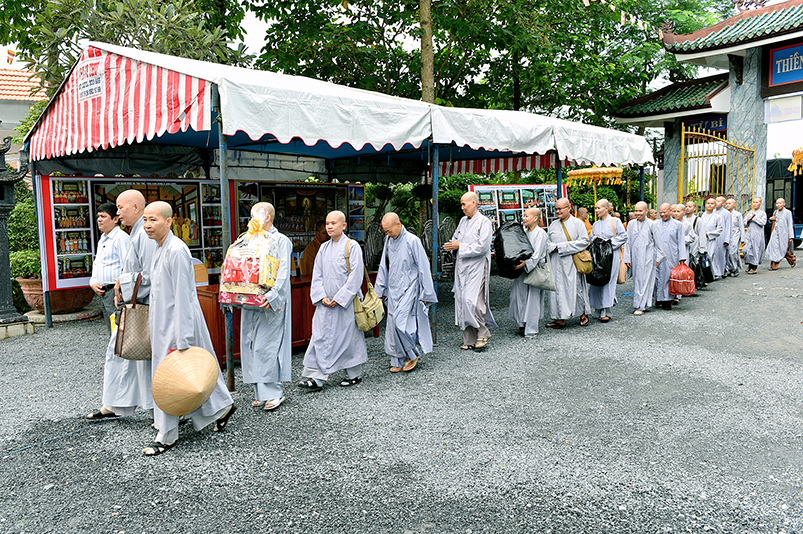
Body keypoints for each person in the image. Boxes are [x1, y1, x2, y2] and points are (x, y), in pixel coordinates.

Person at [142, 201, 235, 456]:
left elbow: (184, 296)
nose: (148, 225)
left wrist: (182, 338)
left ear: (169, 221)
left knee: (169, 376)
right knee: (193, 375)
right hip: (163, 323)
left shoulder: (176, 250)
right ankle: (224, 407)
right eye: (145, 220)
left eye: (153, 220)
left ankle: (167, 435)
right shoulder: (159, 248)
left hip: (176, 324)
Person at [87, 190, 155, 421]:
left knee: (133, 354)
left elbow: (148, 274)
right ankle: (116, 403)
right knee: (119, 351)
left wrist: (122, 283)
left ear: (136, 207)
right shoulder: (133, 233)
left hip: (141, 304)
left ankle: (157, 409)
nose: (118, 212)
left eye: (120, 207)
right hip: (129, 300)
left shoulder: (141, 235)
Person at [299, 210, 368, 390]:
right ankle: (316, 378)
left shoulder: (352, 246)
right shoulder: (323, 248)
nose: (329, 227)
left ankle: (354, 374)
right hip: (325, 303)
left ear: (343, 225)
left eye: (333, 223)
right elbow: (317, 275)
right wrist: (322, 296)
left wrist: (339, 298)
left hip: (345, 303)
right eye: (327, 223)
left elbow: (356, 277)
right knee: (320, 337)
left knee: (348, 339)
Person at [239, 202, 293, 411]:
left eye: (253, 216)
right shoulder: (250, 239)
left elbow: (283, 272)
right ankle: (260, 392)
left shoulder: (281, 240)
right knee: (251, 344)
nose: (250, 221)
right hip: (251, 300)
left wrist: (273, 295)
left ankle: (274, 392)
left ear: (267, 217)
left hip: (270, 301)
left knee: (267, 346)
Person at [375, 212, 437, 371]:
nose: (388, 234)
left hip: (410, 288)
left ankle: (412, 354)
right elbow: (384, 266)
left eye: (389, 231)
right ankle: (397, 360)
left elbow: (424, 267)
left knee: (400, 323)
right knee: (392, 326)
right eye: (385, 231)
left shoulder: (412, 240)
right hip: (393, 288)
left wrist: (426, 292)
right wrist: (379, 290)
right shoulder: (389, 240)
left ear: (398, 224)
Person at [444, 192, 496, 350]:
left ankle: (483, 332)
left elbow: (483, 247)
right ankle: (469, 339)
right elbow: (456, 238)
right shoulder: (463, 221)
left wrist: (460, 246)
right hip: (462, 267)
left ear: (474, 203)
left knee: (473, 301)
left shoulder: (484, 222)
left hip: (477, 267)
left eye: (464, 204)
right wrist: (452, 246)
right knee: (462, 300)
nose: (462, 208)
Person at [546, 197, 591, 328]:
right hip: (556, 261)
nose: (558, 211)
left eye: (560, 209)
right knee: (557, 289)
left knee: (576, 288)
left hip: (572, 261)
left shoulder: (577, 223)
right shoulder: (553, 225)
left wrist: (561, 247)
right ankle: (559, 317)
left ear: (569, 208)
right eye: (556, 209)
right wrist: (553, 247)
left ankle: (582, 314)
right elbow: (547, 242)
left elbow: (584, 241)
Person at [89, 202, 130, 333]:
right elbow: (98, 263)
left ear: (115, 219)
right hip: (104, 291)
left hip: (115, 291)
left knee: (119, 330)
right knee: (112, 329)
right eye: (98, 216)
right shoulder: (103, 238)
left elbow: (127, 265)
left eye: (103, 216)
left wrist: (120, 290)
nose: (99, 220)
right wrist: (93, 282)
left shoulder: (121, 238)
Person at [508, 207, 549, 336]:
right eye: (524, 216)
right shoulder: (524, 232)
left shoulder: (541, 233)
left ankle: (531, 328)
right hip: (522, 269)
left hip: (533, 268)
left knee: (533, 299)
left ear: (535, 218)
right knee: (518, 296)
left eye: (526, 216)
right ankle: (522, 323)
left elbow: (537, 254)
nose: (524, 218)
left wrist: (527, 263)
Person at [623, 201, 665, 316]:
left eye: (640, 211)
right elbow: (628, 241)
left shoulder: (652, 224)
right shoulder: (631, 224)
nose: (638, 213)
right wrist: (628, 258)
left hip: (648, 256)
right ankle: (645, 304)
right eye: (636, 211)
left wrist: (659, 258)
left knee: (645, 280)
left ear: (646, 211)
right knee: (637, 281)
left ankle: (640, 306)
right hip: (635, 256)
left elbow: (658, 242)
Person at [588, 199, 627, 322]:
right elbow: (591, 238)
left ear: (606, 209)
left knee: (608, 281)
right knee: (596, 280)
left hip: (611, 255)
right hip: (598, 257)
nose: (596, 210)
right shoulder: (596, 224)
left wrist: (608, 243)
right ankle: (598, 310)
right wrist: (595, 239)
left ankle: (606, 311)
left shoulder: (615, 221)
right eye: (595, 208)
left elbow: (623, 236)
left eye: (599, 208)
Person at [654, 203, 687, 309]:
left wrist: (682, 257)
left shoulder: (678, 225)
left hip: (671, 254)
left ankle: (667, 299)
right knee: (656, 276)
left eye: (665, 212)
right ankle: (658, 297)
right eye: (660, 212)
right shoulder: (655, 224)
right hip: (657, 254)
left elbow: (681, 241)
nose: (662, 214)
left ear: (670, 211)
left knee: (669, 276)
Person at [765, 197, 795, 271]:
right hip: (775, 233)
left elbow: (790, 224)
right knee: (774, 247)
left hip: (784, 234)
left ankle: (792, 259)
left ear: (784, 204)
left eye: (780, 203)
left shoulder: (788, 212)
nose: (779, 205)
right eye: (777, 203)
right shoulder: (775, 212)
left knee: (782, 248)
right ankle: (774, 264)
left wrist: (791, 236)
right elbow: (774, 221)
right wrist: (771, 219)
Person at [743, 198, 767, 274]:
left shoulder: (762, 213)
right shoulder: (749, 213)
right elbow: (744, 223)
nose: (755, 204)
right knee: (746, 249)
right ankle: (750, 264)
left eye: (757, 202)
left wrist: (754, 217)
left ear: (760, 203)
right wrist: (749, 219)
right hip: (749, 233)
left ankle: (754, 267)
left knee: (755, 250)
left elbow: (763, 223)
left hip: (757, 234)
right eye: (754, 202)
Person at [700, 197, 724, 272]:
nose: (709, 205)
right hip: (700, 239)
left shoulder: (717, 217)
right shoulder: (701, 215)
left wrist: (708, 234)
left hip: (711, 240)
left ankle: (710, 273)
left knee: (710, 256)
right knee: (700, 256)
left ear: (715, 205)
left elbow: (719, 229)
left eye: (712, 203)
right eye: (708, 203)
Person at [712, 196, 732, 279]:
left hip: (722, 236)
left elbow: (728, 227)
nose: (716, 203)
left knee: (722, 255)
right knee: (713, 254)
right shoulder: (712, 212)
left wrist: (727, 239)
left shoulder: (726, 213)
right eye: (716, 201)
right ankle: (714, 272)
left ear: (723, 203)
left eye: (719, 201)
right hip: (713, 235)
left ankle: (723, 270)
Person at [724, 199, 745, 277]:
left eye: (730, 203)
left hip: (735, 235)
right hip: (726, 235)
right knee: (726, 253)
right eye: (726, 203)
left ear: (734, 204)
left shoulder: (737, 214)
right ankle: (729, 268)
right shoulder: (724, 214)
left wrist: (743, 239)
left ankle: (735, 268)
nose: (728, 205)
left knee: (732, 252)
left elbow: (741, 227)